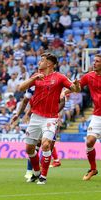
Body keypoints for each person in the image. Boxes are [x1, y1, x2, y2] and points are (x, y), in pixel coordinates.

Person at [18, 53, 80, 184]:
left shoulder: (59, 77)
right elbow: (21, 88)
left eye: (42, 60)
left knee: (46, 145)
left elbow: (75, 89)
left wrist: (76, 85)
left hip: (50, 118)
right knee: (29, 149)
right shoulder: (36, 75)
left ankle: (43, 176)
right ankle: (36, 172)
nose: (39, 62)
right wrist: (33, 79)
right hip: (35, 117)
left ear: (49, 64)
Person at [11, 85, 65, 180]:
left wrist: (54, 114)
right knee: (33, 147)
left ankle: (42, 173)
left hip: (51, 120)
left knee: (47, 146)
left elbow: (62, 102)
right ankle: (32, 172)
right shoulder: (33, 90)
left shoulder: (54, 87)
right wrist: (26, 115)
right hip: (37, 119)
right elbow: (31, 105)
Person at [78, 54, 101, 181]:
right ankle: (93, 169)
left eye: (97, 61)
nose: (94, 63)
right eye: (94, 61)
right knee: (89, 141)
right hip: (97, 116)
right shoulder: (89, 76)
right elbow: (77, 86)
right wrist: (66, 92)